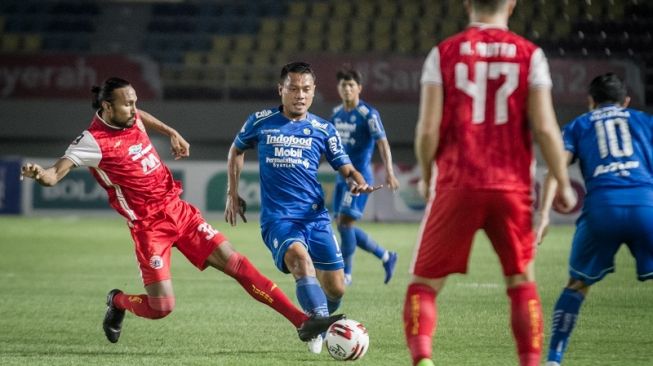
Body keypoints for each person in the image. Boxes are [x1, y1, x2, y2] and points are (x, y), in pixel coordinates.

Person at [20, 77, 342, 349]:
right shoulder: (93, 141)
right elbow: (55, 174)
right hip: (148, 228)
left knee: (238, 265)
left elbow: (142, 116)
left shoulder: (130, 116)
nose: (134, 109)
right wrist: (41, 173)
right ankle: (117, 301)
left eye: (135, 101)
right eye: (127, 104)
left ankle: (303, 322)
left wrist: (170, 131)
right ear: (105, 108)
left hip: (178, 211)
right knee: (162, 307)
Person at [402, 1, 577, 366]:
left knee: (425, 282)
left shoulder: (443, 53)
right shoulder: (531, 55)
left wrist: (428, 173)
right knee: (521, 280)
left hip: (457, 180)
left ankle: (423, 360)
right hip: (511, 185)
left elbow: (427, 129)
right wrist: (562, 180)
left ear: (466, 3)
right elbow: (545, 128)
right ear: (512, 4)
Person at [225, 62, 379, 353]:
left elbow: (346, 168)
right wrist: (232, 193)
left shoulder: (323, 129)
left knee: (336, 288)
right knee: (300, 262)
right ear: (280, 89)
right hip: (279, 219)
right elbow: (237, 150)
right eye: (293, 88)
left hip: (315, 218)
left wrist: (357, 181)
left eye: (306, 89)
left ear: (314, 92)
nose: (300, 95)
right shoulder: (260, 121)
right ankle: (319, 323)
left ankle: (319, 318)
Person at [536, 73, 653, 366]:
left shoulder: (579, 124)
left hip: (602, 209)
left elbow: (555, 168)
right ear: (626, 101)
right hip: (646, 205)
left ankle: (553, 359)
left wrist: (544, 214)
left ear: (591, 102)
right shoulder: (645, 121)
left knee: (577, 284)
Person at [330, 67, 400, 286]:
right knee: (342, 224)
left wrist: (389, 171)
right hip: (342, 179)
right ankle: (386, 256)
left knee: (346, 223)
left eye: (351, 85)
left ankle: (347, 274)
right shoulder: (336, 114)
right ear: (338, 89)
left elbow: (382, 142)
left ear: (359, 88)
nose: (347, 89)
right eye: (343, 85)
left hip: (359, 179)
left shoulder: (368, 114)